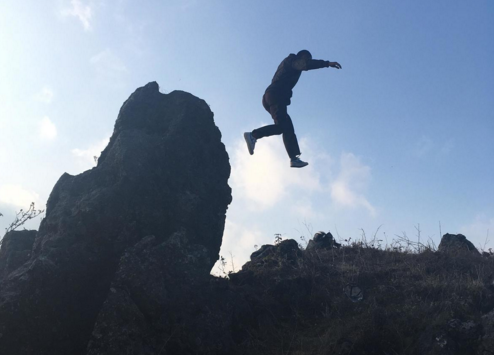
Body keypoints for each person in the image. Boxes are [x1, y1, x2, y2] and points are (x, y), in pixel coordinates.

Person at [244, 50, 341, 168]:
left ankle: (294, 158)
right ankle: (253, 135)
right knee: (281, 127)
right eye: (307, 59)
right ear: (302, 57)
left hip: (271, 96)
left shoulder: (289, 63)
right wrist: (327, 63)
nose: (308, 61)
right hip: (276, 95)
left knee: (287, 127)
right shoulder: (292, 61)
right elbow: (306, 65)